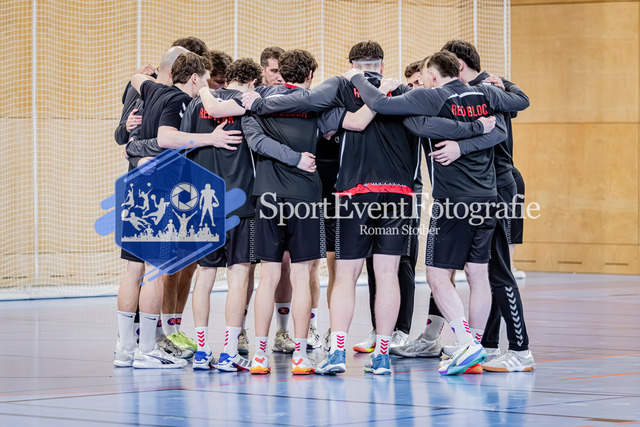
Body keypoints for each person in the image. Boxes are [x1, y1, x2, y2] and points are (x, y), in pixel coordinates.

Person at [347, 50, 529, 375]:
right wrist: (471, 130)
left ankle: (468, 344)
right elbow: (504, 123)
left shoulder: (430, 97)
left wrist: (357, 77)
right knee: (478, 275)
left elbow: (382, 105)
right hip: (489, 197)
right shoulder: (485, 93)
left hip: (454, 201)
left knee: (436, 276)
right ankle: (477, 348)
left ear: (432, 75)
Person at [441, 39, 534, 372]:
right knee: (484, 271)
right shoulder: (479, 90)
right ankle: (488, 345)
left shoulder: (487, 90)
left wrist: (504, 83)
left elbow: (521, 102)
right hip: (486, 188)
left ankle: (521, 351)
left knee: (499, 270)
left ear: (459, 66)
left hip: (501, 186)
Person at [241, 49, 329, 375]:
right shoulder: (317, 103)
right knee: (302, 276)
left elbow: (255, 141)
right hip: (305, 195)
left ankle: (260, 356)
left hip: (267, 196)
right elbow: (340, 127)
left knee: (268, 277)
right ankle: (300, 356)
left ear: (281, 73)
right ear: (309, 76)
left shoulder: (255, 101)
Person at [183, 57, 263, 371]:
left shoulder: (195, 106)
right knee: (238, 277)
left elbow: (184, 149)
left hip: (202, 205)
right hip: (241, 203)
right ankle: (229, 352)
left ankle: (202, 351)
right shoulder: (251, 104)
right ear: (253, 82)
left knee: (203, 276)